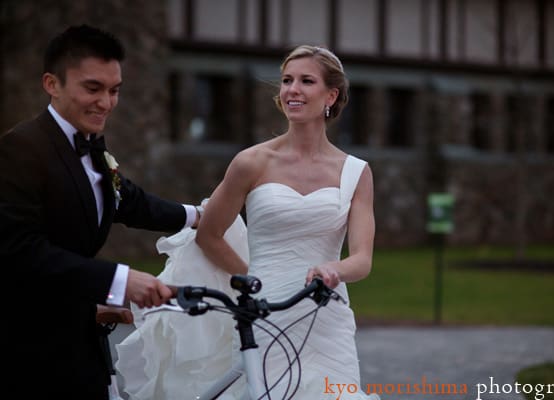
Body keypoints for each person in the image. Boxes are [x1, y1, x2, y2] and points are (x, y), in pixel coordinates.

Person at [116, 45, 378, 399]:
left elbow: (362, 260)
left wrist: (335, 269)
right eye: (286, 81)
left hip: (325, 318)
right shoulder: (251, 162)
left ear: (331, 94)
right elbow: (209, 234)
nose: (292, 90)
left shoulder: (356, 172)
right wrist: (251, 280)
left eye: (306, 81)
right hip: (264, 309)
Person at [0, 25, 201, 400]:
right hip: (27, 350)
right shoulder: (19, 149)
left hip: (80, 341)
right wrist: (121, 282)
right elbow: (19, 250)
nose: (106, 103)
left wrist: (198, 216)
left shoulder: (91, 147)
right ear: (51, 84)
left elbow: (129, 201)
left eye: (114, 91)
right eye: (93, 88)